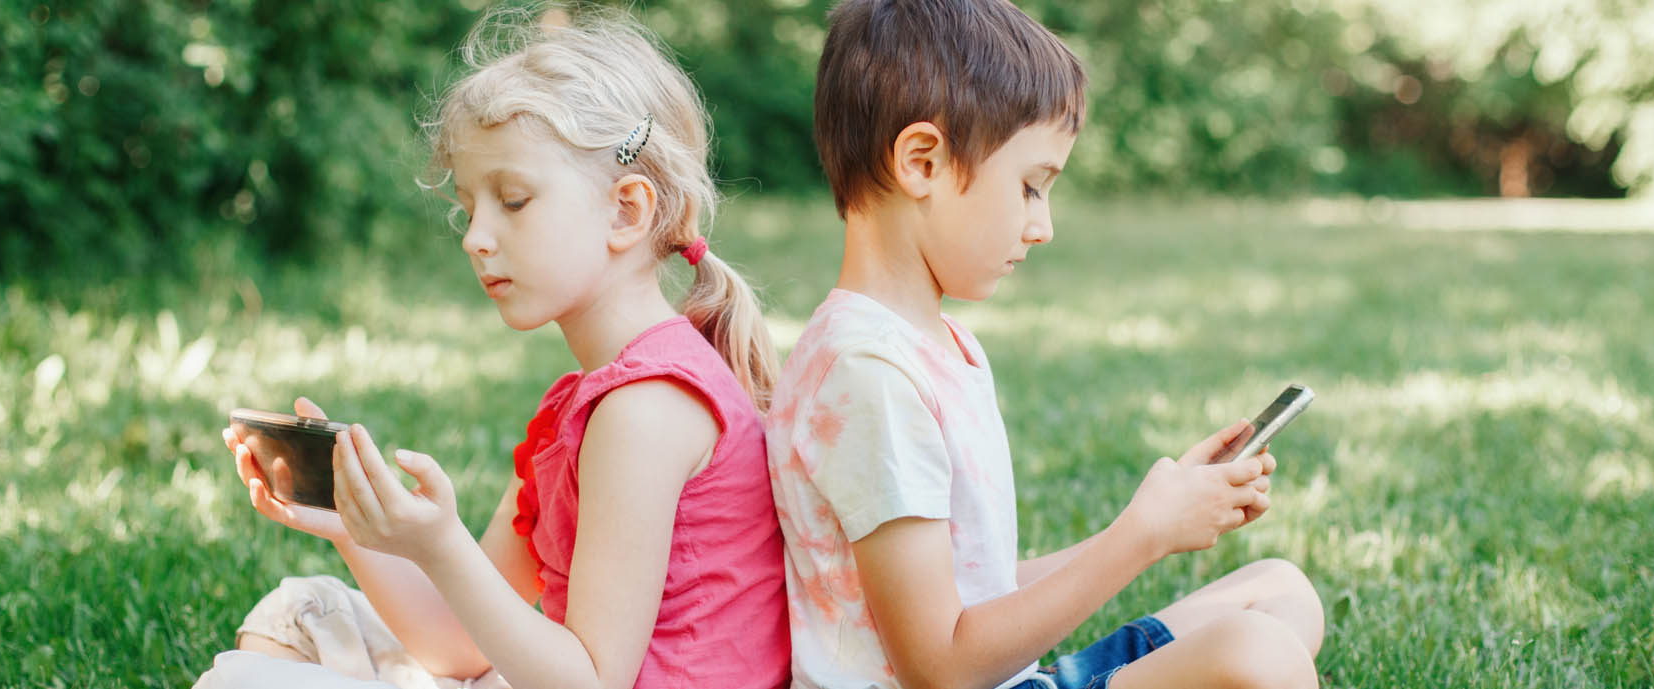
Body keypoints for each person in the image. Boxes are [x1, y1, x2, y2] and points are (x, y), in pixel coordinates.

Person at [195, 7, 789, 689]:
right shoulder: (579, 408)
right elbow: (458, 648)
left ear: (627, 210)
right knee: (305, 609)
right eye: (468, 206)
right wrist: (354, 526)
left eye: (512, 200)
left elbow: (589, 680)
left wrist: (444, 545)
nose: (476, 236)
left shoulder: (645, 411)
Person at [765, 2, 1325, 688]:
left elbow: (980, 591)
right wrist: (1138, 537)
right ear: (922, 163)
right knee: (1256, 652)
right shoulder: (866, 375)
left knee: (1279, 588)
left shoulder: (932, 348)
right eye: (1031, 187)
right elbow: (939, 665)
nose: (1043, 226)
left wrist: (1158, 519)